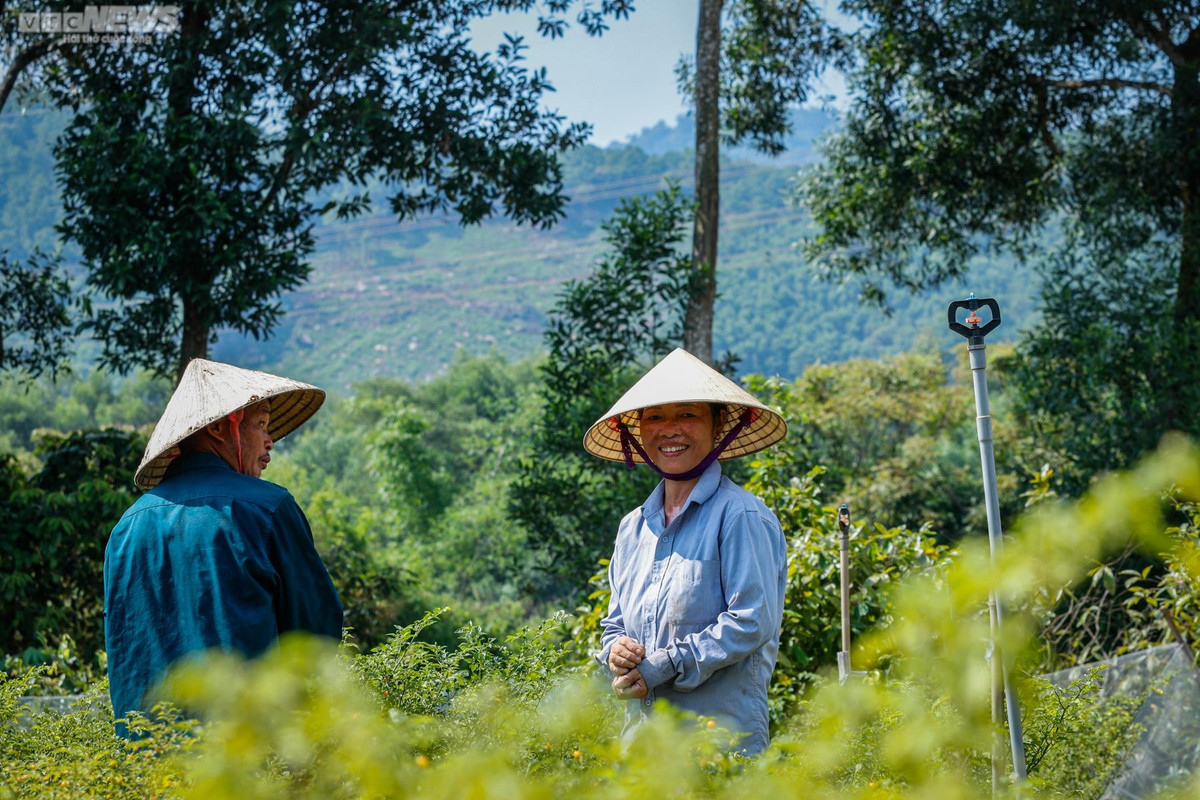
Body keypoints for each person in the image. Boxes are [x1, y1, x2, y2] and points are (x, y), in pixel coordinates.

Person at [104, 358, 343, 728]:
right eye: (261, 424)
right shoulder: (267, 508)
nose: (271, 441)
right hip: (241, 760)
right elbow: (317, 637)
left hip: (144, 766)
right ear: (218, 427)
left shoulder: (125, 530)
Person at [583, 348, 789, 755]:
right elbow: (615, 624)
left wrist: (659, 667)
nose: (670, 429)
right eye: (655, 417)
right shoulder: (633, 528)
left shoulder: (741, 516)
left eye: (688, 415)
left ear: (718, 427)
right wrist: (616, 652)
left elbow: (750, 621)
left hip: (719, 751)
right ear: (638, 433)